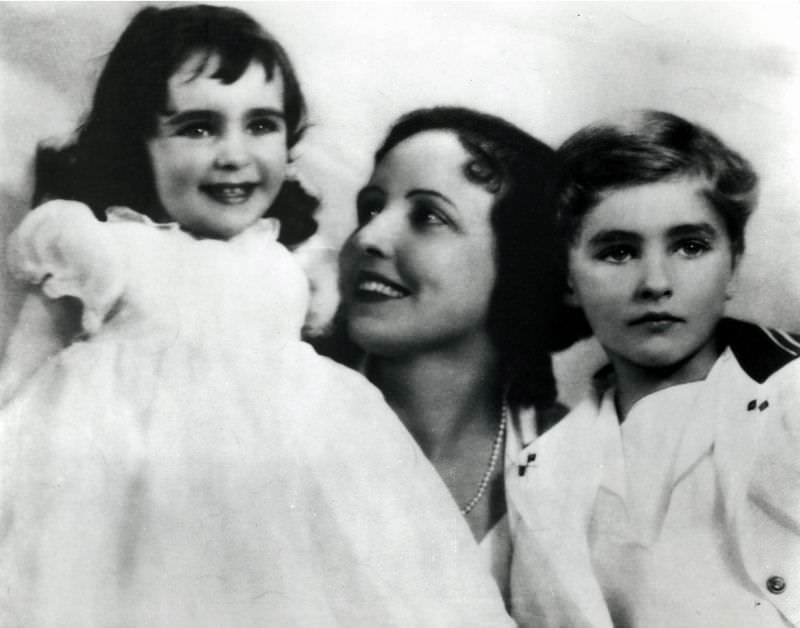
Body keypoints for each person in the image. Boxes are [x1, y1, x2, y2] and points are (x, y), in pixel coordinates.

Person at [0, 7, 513, 626]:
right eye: (198, 128)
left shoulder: (286, 268)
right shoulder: (103, 249)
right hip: (135, 506)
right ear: (138, 142)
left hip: (275, 500)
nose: (235, 155)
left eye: (262, 125)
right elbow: (21, 382)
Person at [509, 109, 800, 627]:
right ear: (568, 278)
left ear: (733, 261)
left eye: (690, 246)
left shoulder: (791, 397)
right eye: (618, 252)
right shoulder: (543, 469)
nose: (655, 282)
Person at [332, 106, 572, 616]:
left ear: (518, 261)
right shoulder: (276, 419)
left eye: (428, 217)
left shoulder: (572, 460)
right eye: (372, 208)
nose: (367, 238)